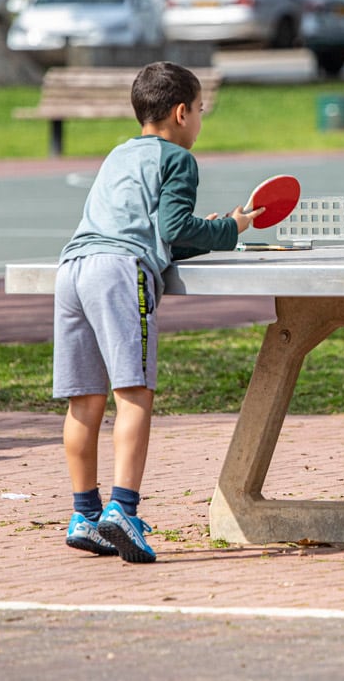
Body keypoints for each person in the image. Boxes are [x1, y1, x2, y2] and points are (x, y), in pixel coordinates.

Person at [54, 61, 263, 563]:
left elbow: (157, 231)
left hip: (74, 270)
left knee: (84, 402)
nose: (200, 120)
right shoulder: (179, 159)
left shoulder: (119, 154)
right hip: (120, 274)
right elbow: (174, 229)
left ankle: (85, 514)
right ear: (181, 111)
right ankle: (123, 510)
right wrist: (230, 229)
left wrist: (203, 232)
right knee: (135, 395)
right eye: (201, 110)